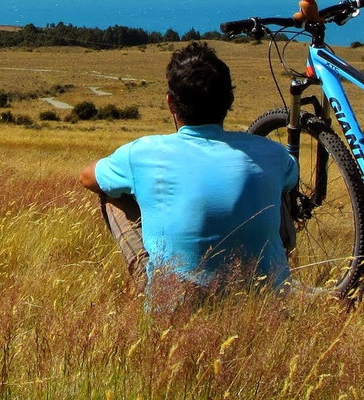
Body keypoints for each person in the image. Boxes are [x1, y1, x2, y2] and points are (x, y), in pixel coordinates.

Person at [79, 41, 298, 301]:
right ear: (230, 100)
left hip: (174, 303)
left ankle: (156, 280)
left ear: (171, 102)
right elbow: (291, 181)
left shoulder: (142, 153)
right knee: (280, 186)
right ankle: (278, 272)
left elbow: (87, 177)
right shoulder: (271, 153)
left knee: (110, 191)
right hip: (266, 300)